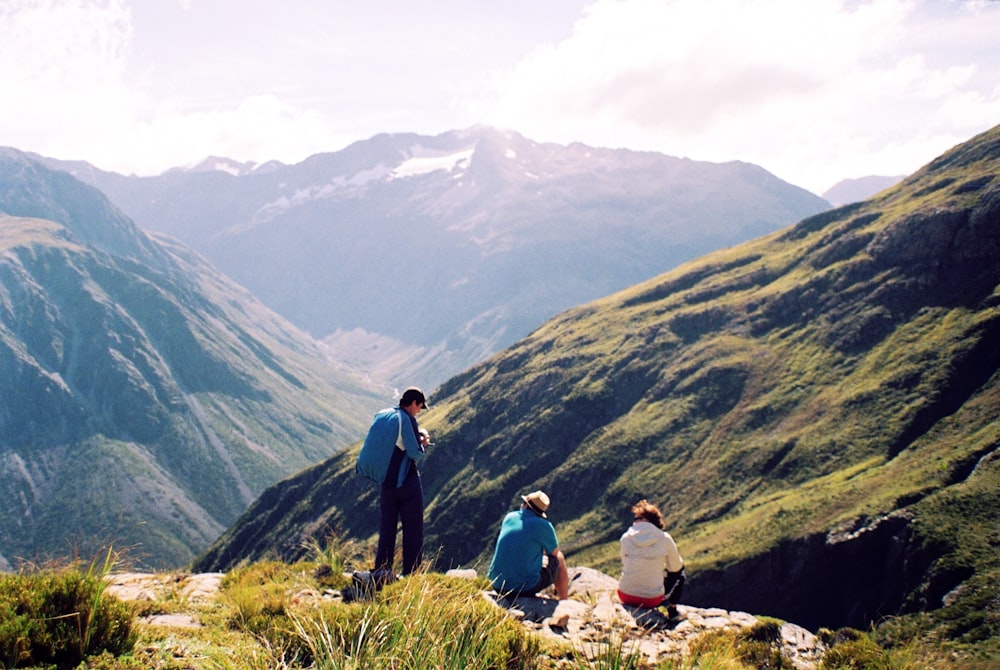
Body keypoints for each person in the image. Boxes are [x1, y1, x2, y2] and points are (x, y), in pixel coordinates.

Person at [355, 387, 431, 582]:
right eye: (419, 407)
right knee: (412, 527)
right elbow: (414, 452)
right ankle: (411, 572)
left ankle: (382, 569)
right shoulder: (406, 420)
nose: (418, 411)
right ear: (413, 403)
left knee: (387, 525)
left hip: (386, 482)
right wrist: (423, 442)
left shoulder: (385, 415)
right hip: (406, 482)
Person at [488, 490, 569, 600]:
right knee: (559, 557)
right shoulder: (544, 526)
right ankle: (564, 600)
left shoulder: (509, 517)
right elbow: (554, 553)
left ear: (525, 505)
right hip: (524, 589)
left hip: (497, 585)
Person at [617, 499, 686, 620]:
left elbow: (625, 562)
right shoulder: (664, 538)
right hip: (651, 600)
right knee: (680, 573)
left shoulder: (625, 537)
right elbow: (676, 567)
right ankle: (673, 612)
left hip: (625, 595)